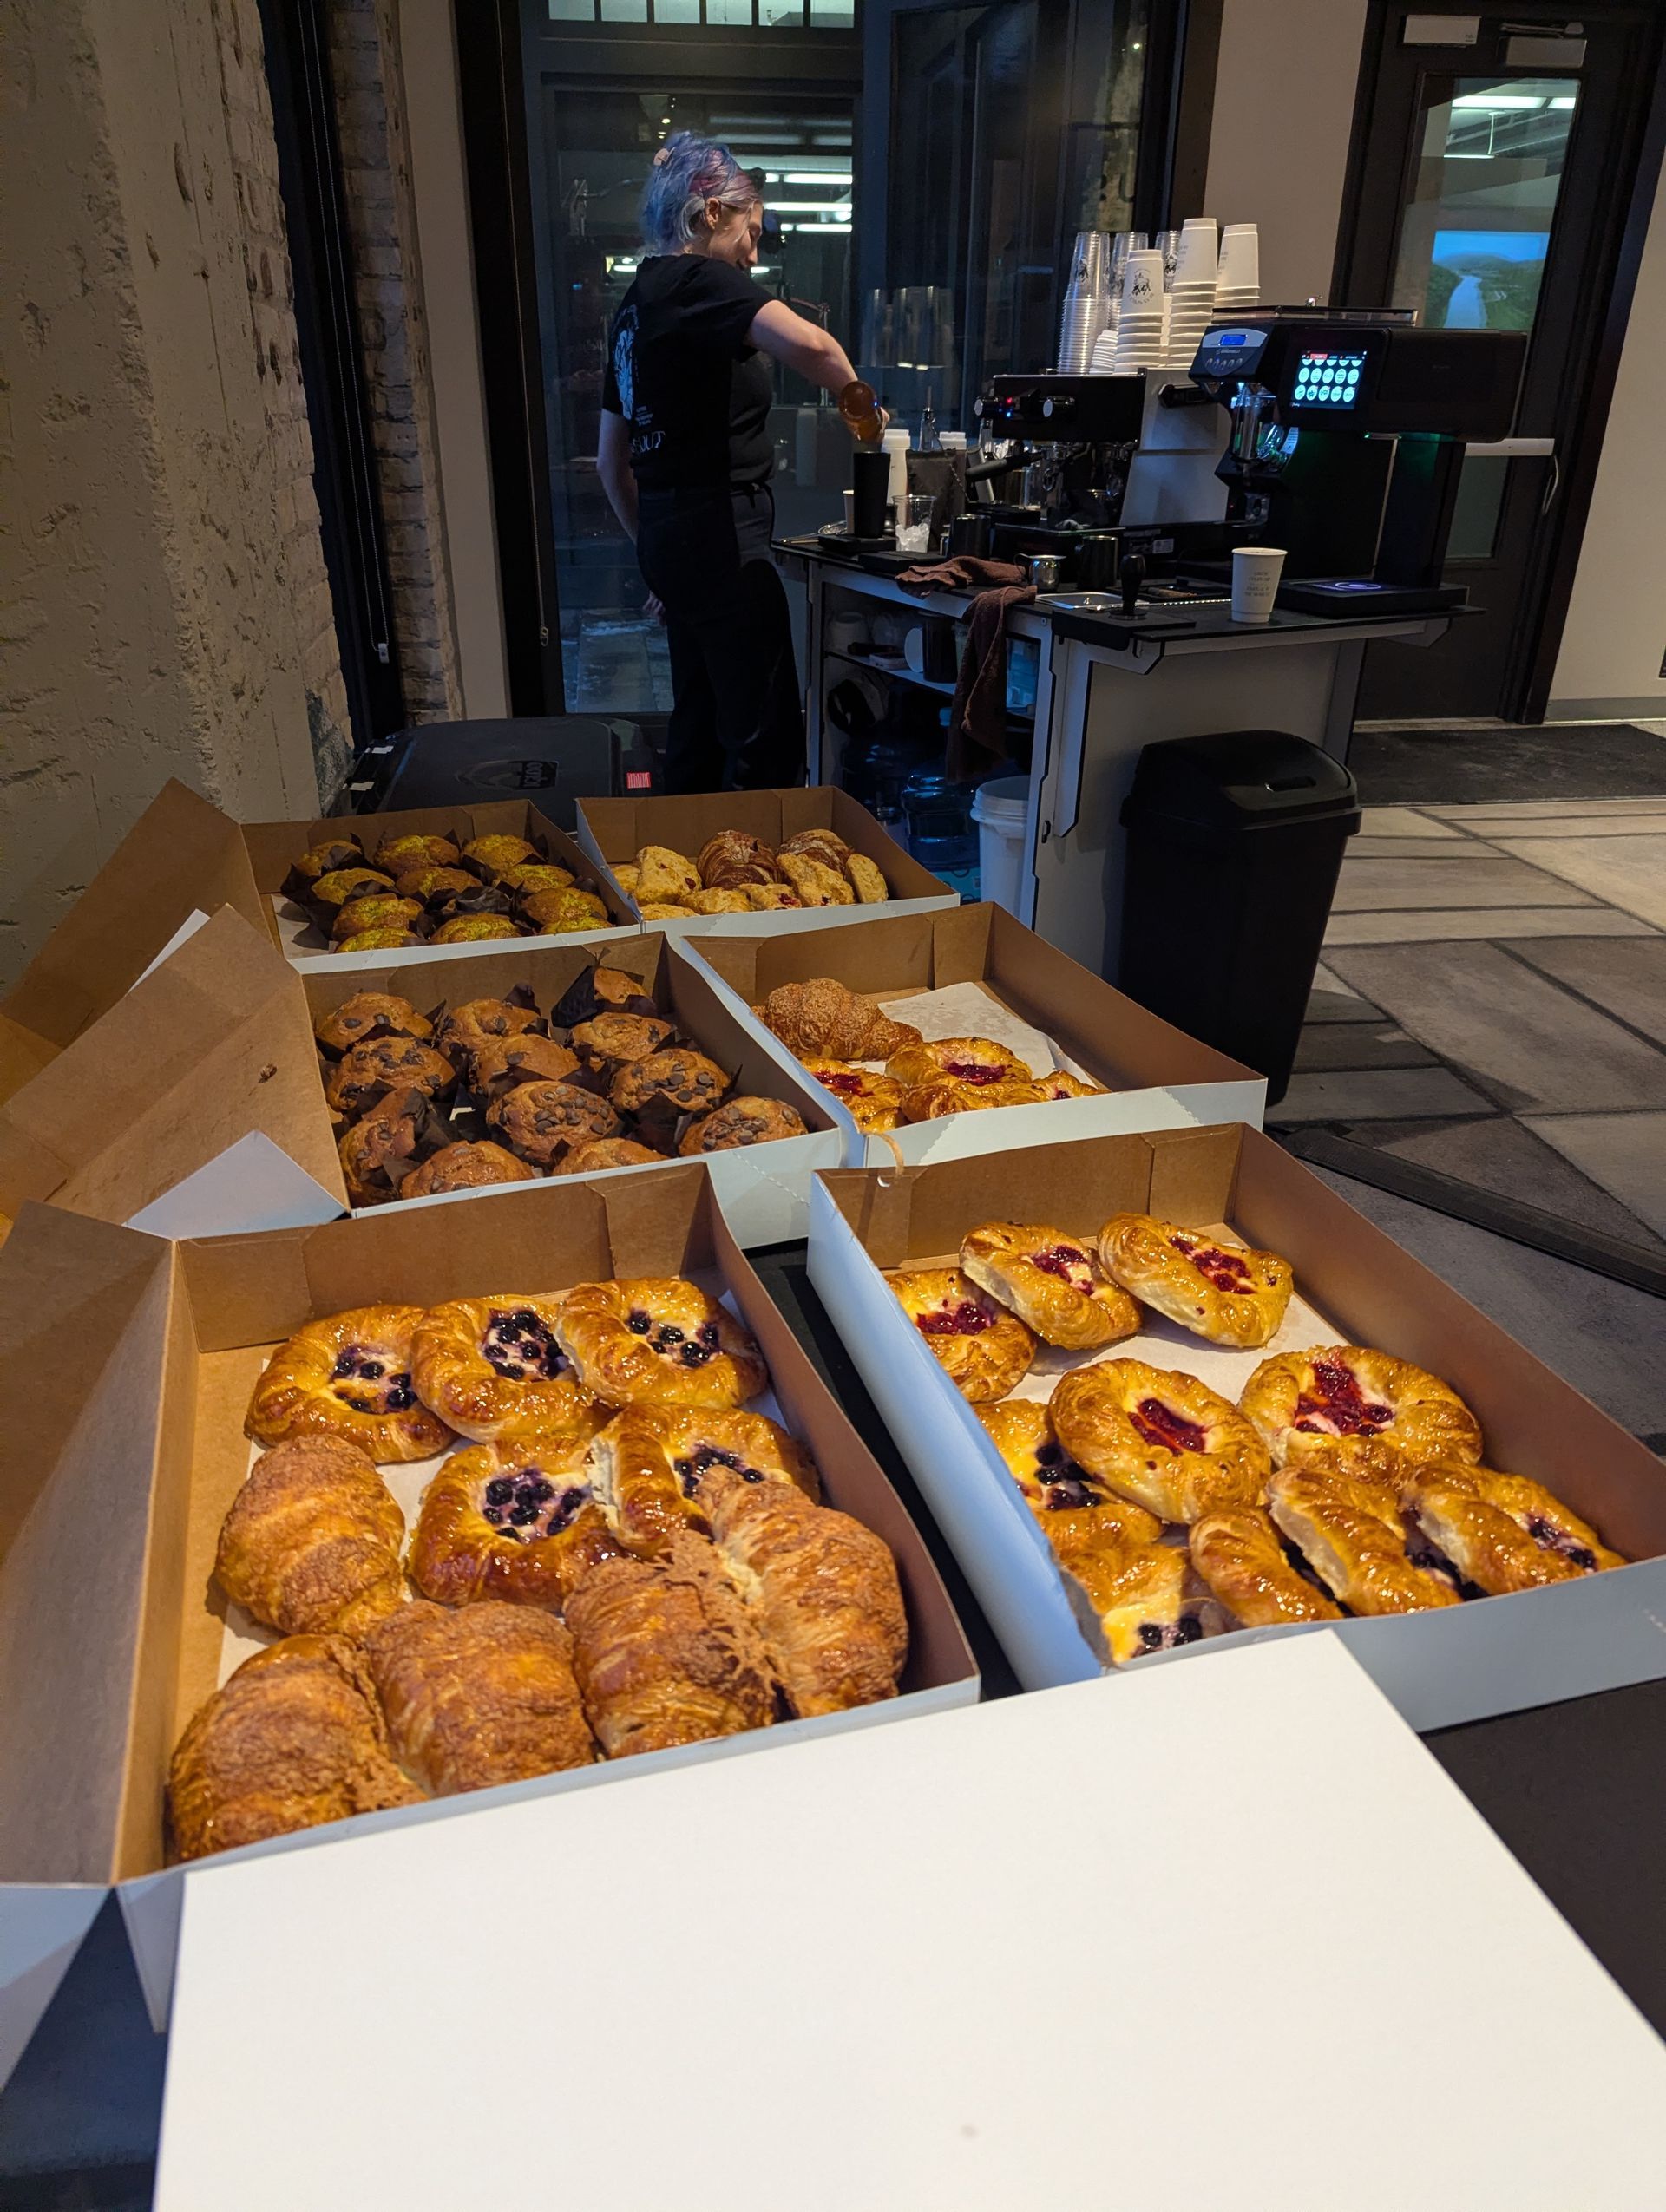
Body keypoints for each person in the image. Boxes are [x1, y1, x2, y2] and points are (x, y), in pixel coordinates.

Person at [597, 132, 877, 792]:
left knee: (696, 727)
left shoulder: (634, 308)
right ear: (712, 212)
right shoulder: (701, 279)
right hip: (723, 532)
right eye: (752, 231)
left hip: (671, 535)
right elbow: (812, 346)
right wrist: (859, 407)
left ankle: (679, 881)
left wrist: (662, 558)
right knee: (765, 736)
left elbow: (613, 464)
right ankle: (761, 884)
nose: (753, 252)